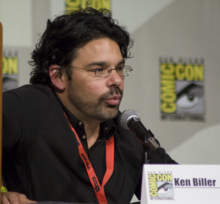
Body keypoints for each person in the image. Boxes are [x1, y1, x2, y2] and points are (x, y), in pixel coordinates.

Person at [2, 7, 176, 204]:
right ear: (59, 76)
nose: (116, 80)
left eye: (119, 68)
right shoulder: (28, 107)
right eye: (99, 70)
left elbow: (180, 195)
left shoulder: (131, 135)